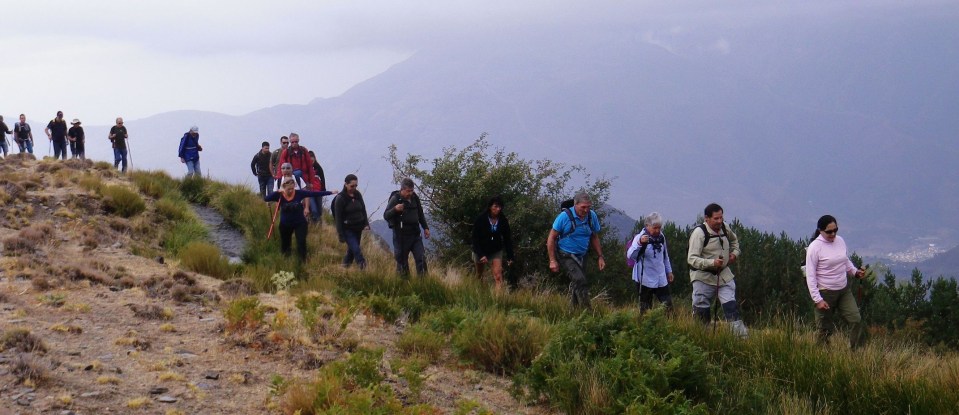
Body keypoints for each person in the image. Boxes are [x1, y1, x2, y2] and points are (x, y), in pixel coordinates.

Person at [805, 214, 867, 349]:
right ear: (820, 231)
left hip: (844, 290)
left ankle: (855, 353)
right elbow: (810, 276)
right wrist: (818, 300)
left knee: (856, 320)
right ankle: (821, 354)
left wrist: (855, 272)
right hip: (825, 293)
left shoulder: (840, 241)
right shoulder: (814, 247)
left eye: (835, 230)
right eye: (829, 232)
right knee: (824, 329)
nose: (833, 234)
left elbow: (845, 260)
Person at [687, 203, 747, 338]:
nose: (720, 221)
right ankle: (702, 338)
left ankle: (741, 339)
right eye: (716, 218)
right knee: (702, 311)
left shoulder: (725, 227)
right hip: (702, 278)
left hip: (724, 275)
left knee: (731, 307)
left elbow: (735, 242)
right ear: (706, 218)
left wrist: (734, 254)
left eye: (721, 217)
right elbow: (691, 259)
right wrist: (712, 263)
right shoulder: (699, 233)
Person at [546, 191, 605, 308]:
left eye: (588, 207)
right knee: (580, 280)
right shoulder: (564, 217)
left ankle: (574, 310)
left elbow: (594, 236)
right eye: (583, 207)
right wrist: (552, 260)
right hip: (565, 254)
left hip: (582, 255)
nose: (586, 210)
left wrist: (600, 256)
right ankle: (587, 311)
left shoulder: (591, 216)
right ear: (575, 205)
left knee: (577, 282)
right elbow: (551, 238)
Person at [263, 177, 336, 261]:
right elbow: (266, 198)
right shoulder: (279, 195)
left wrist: (330, 192)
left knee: (301, 242)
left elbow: (313, 193)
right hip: (285, 224)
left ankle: (302, 261)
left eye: (292, 188)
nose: (291, 190)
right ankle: (286, 261)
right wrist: (277, 192)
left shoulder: (299, 193)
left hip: (300, 223)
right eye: (288, 189)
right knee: (285, 244)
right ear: (284, 187)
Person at [627, 212, 674, 313]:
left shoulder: (661, 237)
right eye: (655, 228)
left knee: (668, 307)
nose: (657, 230)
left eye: (659, 228)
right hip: (645, 279)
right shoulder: (640, 237)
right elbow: (630, 255)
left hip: (660, 277)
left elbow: (665, 256)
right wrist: (640, 243)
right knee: (646, 309)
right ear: (647, 226)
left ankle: (670, 322)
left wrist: (669, 271)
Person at [384, 178, 431, 277]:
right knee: (402, 262)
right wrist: (395, 209)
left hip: (415, 234)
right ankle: (404, 283)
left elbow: (420, 213)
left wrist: (425, 228)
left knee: (421, 258)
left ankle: (424, 282)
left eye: (412, 190)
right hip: (401, 235)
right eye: (408, 191)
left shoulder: (415, 198)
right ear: (402, 189)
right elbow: (386, 215)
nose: (410, 193)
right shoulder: (396, 199)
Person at [471, 196, 514, 291]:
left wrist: (510, 256)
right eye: (495, 206)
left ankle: (497, 298)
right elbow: (474, 239)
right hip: (480, 249)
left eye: (500, 207)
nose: (498, 209)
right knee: (479, 275)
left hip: (496, 250)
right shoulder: (481, 219)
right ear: (490, 207)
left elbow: (507, 239)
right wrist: (481, 254)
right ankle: (478, 292)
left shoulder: (503, 220)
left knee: (498, 276)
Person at [333, 174, 370, 269]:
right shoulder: (340, 198)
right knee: (356, 249)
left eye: (356, 186)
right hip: (347, 229)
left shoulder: (357, 195)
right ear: (346, 184)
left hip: (358, 227)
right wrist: (341, 235)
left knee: (352, 251)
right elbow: (338, 218)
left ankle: (344, 267)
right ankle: (363, 267)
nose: (354, 188)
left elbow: (363, 209)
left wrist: (366, 224)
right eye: (352, 186)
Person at [307, 150, 327, 223]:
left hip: (318, 191)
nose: (311, 161)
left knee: (319, 210)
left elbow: (323, 179)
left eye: (313, 159)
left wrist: (323, 190)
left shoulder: (319, 168)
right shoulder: (306, 169)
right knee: (314, 209)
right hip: (310, 192)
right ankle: (316, 222)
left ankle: (317, 224)